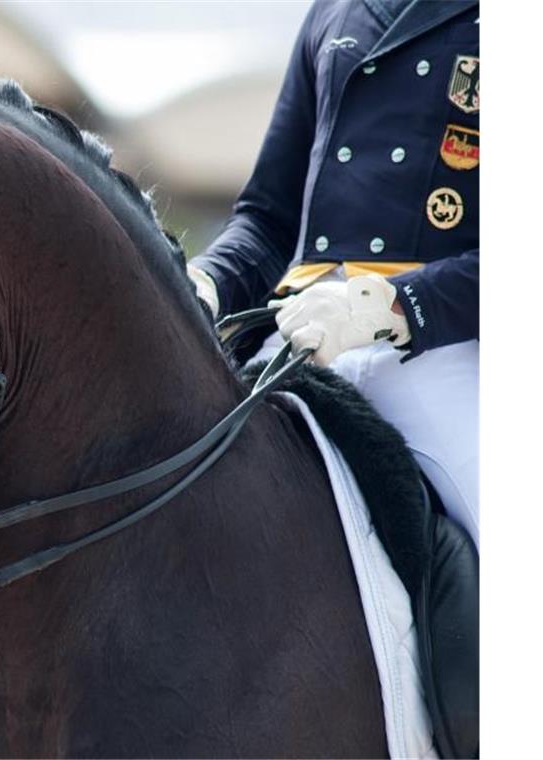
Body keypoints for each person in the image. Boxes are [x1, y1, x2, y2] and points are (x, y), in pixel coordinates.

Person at [187, 0, 479, 546]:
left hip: (438, 349)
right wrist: (204, 284)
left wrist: (384, 307)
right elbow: (269, 218)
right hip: (297, 330)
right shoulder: (335, 11)